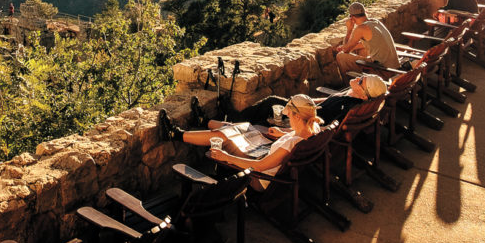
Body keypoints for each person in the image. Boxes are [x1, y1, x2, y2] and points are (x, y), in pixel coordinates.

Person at [158, 94, 323, 174]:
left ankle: (175, 134)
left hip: (260, 174)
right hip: (264, 152)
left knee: (225, 136)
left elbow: (259, 167)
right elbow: (295, 135)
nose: (287, 116)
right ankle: (203, 121)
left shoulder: (291, 144)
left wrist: (226, 158)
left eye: (289, 115)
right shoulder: (312, 129)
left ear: (298, 116)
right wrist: (282, 133)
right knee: (241, 127)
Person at [333, 2, 400, 74]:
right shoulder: (375, 21)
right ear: (365, 12)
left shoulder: (361, 28)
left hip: (384, 70)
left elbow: (345, 51)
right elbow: (372, 43)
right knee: (361, 48)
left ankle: (351, 83)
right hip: (395, 67)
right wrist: (351, 46)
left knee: (341, 56)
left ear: (352, 17)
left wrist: (349, 30)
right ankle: (362, 76)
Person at [313, 73, 389, 124]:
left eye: (361, 82)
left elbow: (315, 120)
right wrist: (313, 101)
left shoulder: (342, 104)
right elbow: (329, 100)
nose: (358, 78)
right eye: (362, 76)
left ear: (363, 96)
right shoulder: (353, 99)